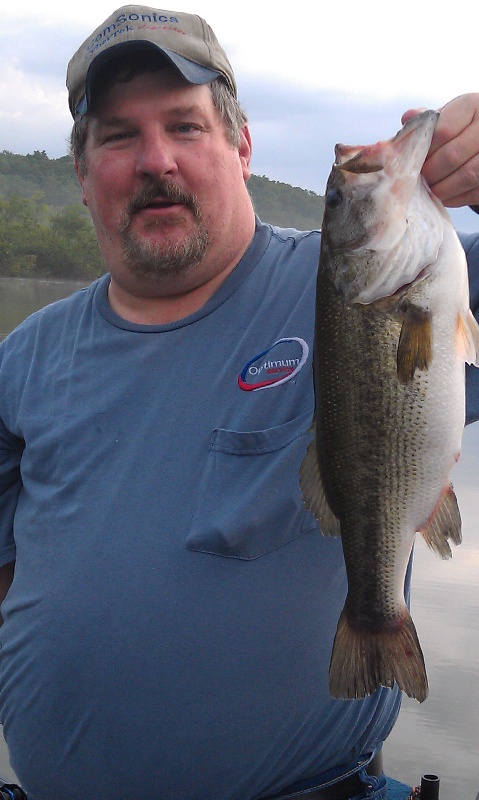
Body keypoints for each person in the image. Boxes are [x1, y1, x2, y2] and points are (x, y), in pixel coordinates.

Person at [0, 6, 479, 799]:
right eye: (118, 136)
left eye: (186, 127)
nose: (156, 159)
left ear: (242, 148)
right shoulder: (22, 359)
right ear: (82, 176)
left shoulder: (359, 283)